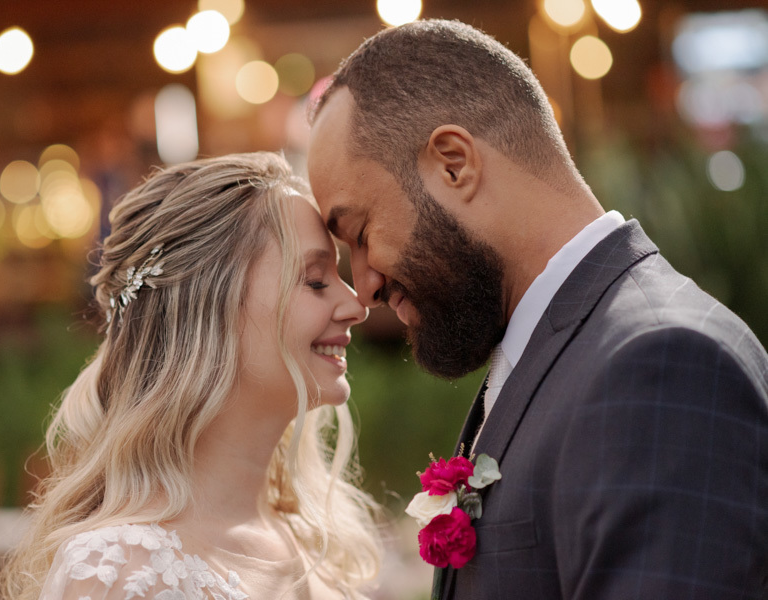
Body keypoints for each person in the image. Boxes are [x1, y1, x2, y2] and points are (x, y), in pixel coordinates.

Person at [307, 19, 768, 600]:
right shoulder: (564, 347)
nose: (365, 287)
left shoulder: (661, 363)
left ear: (453, 164)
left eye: (360, 232)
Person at [0, 152, 382, 600]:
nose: (356, 305)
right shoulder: (120, 571)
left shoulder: (314, 536)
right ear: (210, 307)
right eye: (315, 280)